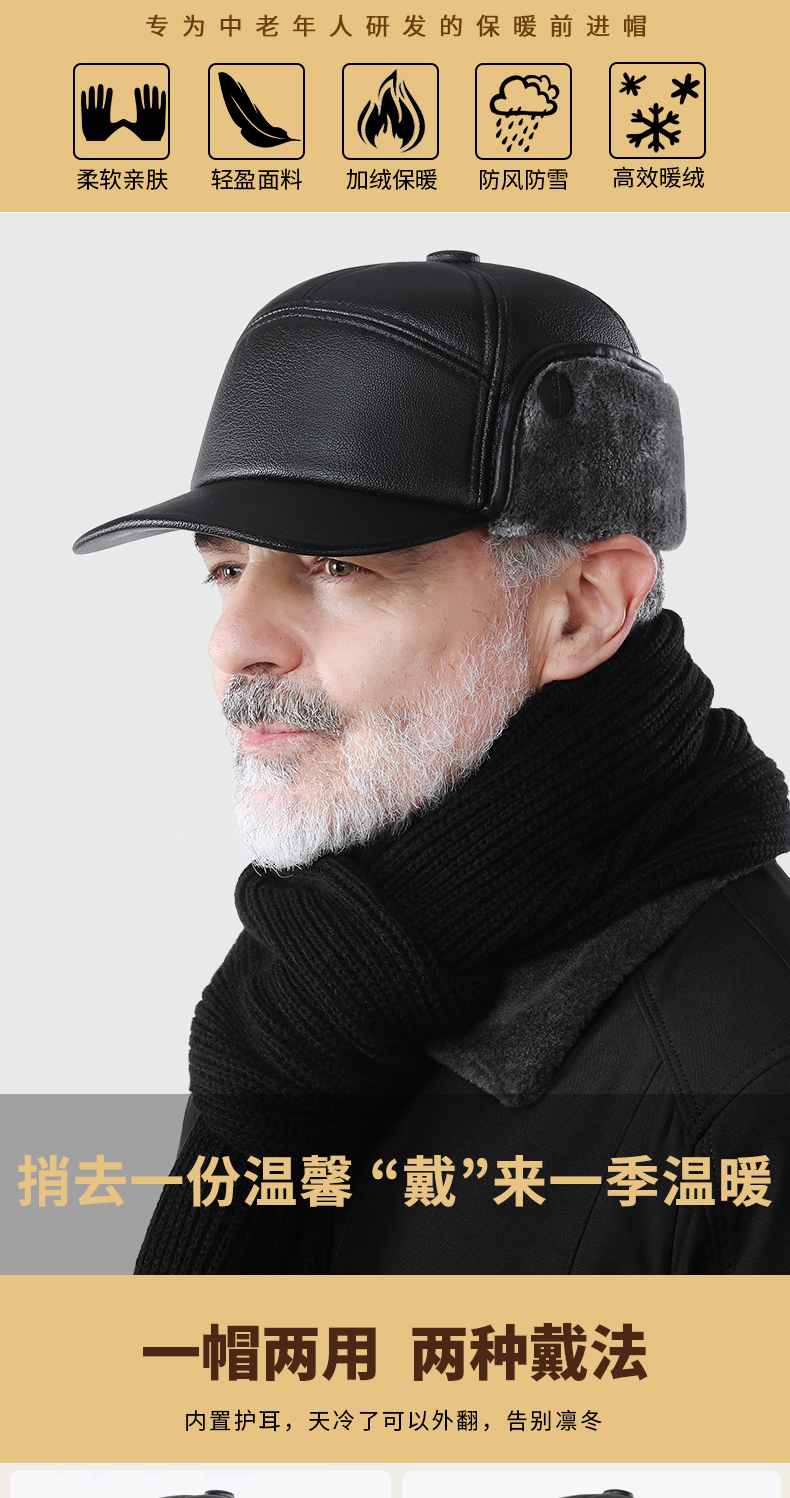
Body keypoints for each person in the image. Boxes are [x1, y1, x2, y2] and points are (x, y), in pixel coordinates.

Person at [74, 250, 790, 1274]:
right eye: (226, 568)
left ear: (583, 609)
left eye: (334, 565)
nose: (234, 644)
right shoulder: (313, 997)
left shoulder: (745, 1083)